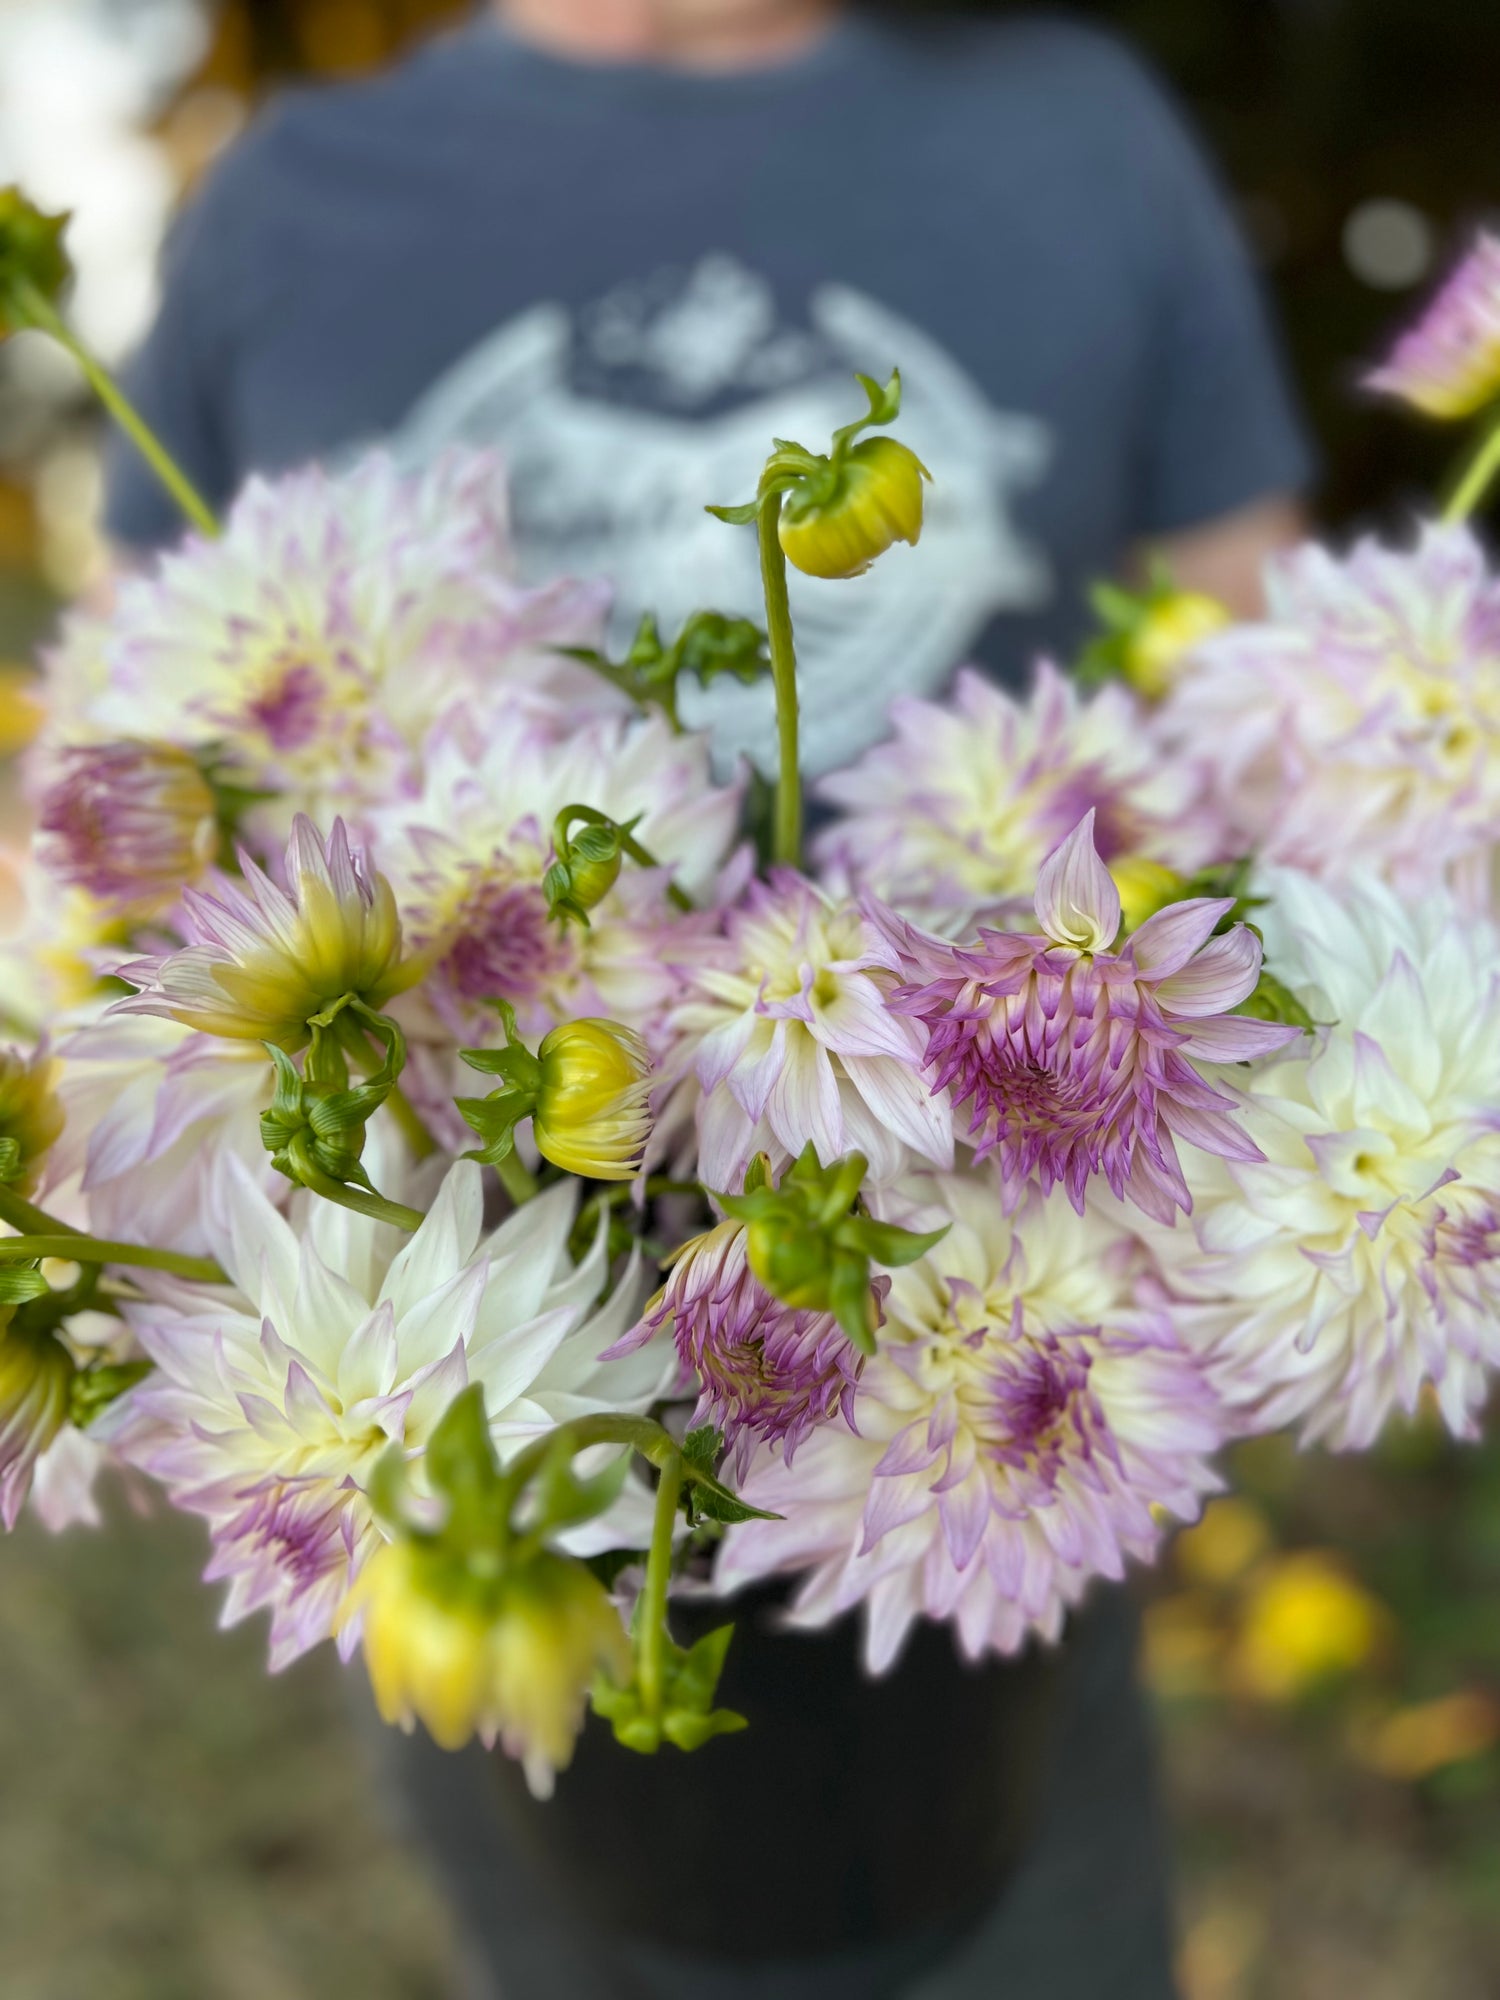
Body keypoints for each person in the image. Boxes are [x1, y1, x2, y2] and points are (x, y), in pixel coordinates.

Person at [103, 4, 1312, 1995]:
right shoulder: (281, 205)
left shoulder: (1083, 136)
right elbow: (124, 792)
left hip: (1004, 1395)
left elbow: (1267, 759)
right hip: (446, 1430)